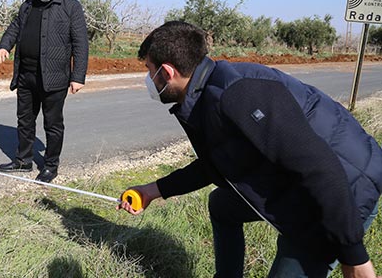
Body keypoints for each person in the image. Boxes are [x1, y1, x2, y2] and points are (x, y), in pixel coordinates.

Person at [117, 21, 382, 277]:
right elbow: (221, 160)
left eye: (149, 69)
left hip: (344, 187)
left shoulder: (238, 96)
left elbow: (320, 168)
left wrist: (354, 258)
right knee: (222, 205)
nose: (148, 79)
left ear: (167, 72)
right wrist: (153, 191)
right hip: (315, 175)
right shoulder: (209, 89)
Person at [0, 0, 88, 183]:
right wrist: (4, 46)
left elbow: (81, 43)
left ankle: (50, 166)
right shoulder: (28, 6)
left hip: (54, 78)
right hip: (26, 75)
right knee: (25, 120)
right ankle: (23, 160)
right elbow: (14, 28)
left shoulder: (71, 7)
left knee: (52, 123)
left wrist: (77, 76)